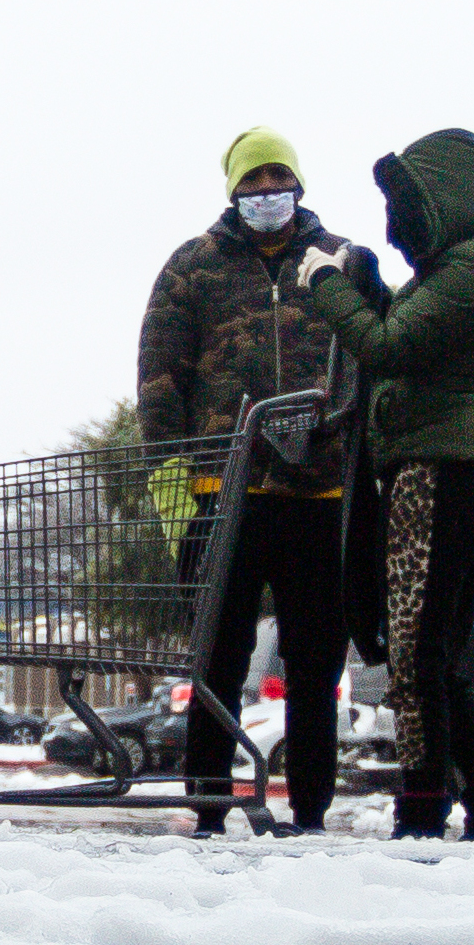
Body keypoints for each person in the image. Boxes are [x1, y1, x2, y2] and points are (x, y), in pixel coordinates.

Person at [298, 129, 474, 841]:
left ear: (444, 200)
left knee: (413, 654)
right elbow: (410, 323)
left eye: (407, 208)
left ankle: (421, 809)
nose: (400, 229)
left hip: (442, 471)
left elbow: (390, 345)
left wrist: (326, 287)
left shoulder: (472, 267)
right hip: (467, 470)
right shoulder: (469, 264)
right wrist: (371, 287)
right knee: (434, 654)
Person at [135, 131, 350, 834]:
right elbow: (161, 383)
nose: (266, 191)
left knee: (314, 665)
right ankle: (207, 805)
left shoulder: (339, 263)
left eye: (277, 176)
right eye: (252, 180)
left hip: (318, 494)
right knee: (217, 661)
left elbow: (368, 363)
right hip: (220, 496)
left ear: (298, 182)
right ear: (232, 189)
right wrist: (172, 494)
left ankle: (311, 809)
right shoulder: (192, 268)